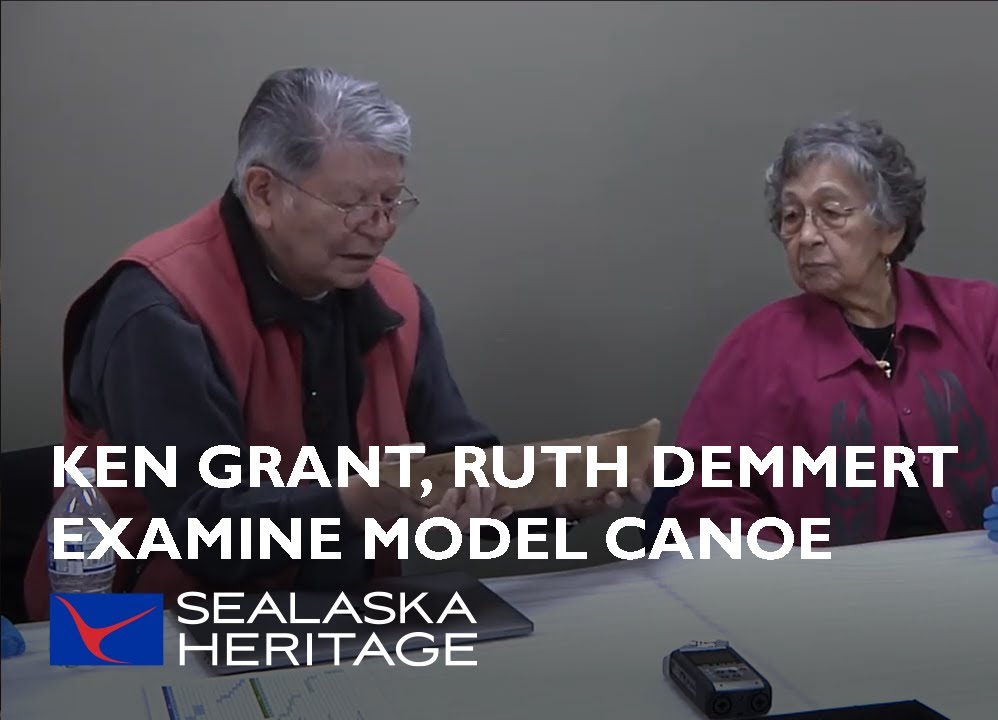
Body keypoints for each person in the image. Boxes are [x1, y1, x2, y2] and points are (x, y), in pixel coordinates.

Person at [23, 67, 649, 621]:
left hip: (346, 620)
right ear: (265, 193)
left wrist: (558, 498)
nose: (379, 230)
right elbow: (202, 534)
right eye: (352, 204)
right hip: (134, 631)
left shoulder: (397, 300)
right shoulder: (158, 309)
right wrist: (354, 502)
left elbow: (462, 466)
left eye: (391, 201)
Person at [659, 114, 998, 552]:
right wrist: (776, 565)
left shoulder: (975, 311)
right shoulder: (756, 345)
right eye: (791, 216)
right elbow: (708, 492)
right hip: (826, 592)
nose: (806, 235)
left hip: (989, 567)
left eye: (831, 213)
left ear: (890, 228)